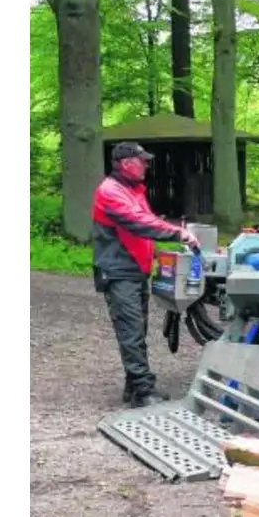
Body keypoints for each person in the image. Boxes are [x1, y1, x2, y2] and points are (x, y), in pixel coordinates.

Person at [92, 141, 200, 407]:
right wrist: (177, 233)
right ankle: (142, 391)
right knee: (131, 331)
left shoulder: (133, 191)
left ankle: (134, 387)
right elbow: (138, 223)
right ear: (127, 164)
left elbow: (145, 224)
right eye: (143, 161)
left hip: (134, 271)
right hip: (119, 272)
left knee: (137, 330)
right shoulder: (110, 191)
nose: (147, 166)